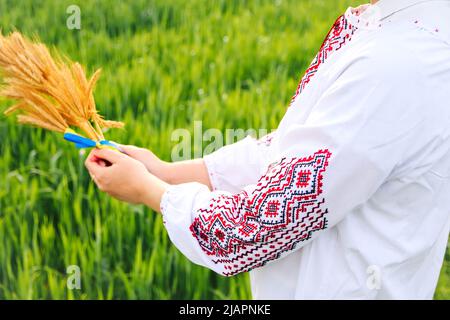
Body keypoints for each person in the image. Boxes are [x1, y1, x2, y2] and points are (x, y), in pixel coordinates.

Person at [85, 0, 450, 299]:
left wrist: (149, 190)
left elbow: (251, 229)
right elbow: (292, 155)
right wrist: (164, 171)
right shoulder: (388, 27)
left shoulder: (396, 67)